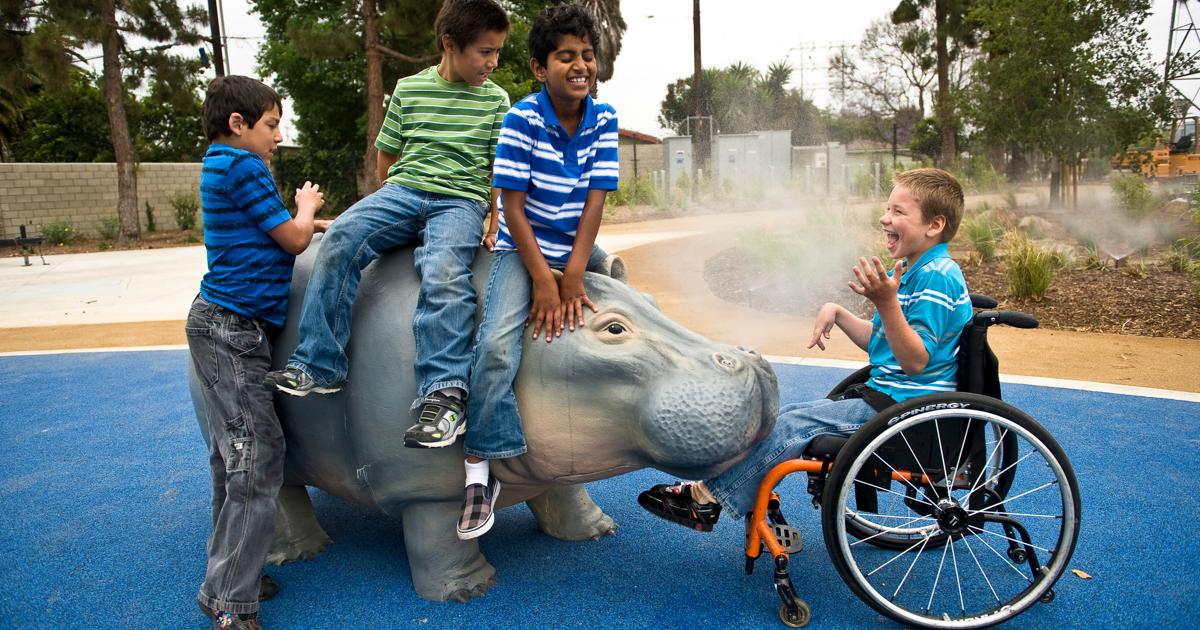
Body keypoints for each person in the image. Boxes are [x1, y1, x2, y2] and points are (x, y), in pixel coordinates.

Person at [637, 168, 972, 532]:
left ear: (935, 225)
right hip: (888, 398)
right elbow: (884, 344)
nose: (884, 218)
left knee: (794, 427)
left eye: (898, 211)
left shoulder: (938, 275)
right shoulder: (913, 270)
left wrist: (886, 303)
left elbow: (914, 361)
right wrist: (841, 313)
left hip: (907, 412)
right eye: (886, 208)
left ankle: (709, 500)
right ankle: (735, 489)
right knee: (787, 416)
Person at [264, 0, 511, 452]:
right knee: (340, 237)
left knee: (443, 273)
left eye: (497, 52)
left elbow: (499, 167)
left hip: (459, 201)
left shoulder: (496, 99)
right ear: (449, 44)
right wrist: (390, 206)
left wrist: (494, 216)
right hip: (404, 192)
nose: (492, 63)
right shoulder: (410, 89)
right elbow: (387, 155)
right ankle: (320, 363)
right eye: (484, 52)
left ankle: (444, 394)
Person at [456, 3, 620, 540]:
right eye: (566, 56)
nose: (580, 66)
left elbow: (595, 204)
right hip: (520, 248)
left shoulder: (604, 118)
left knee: (626, 307)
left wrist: (573, 275)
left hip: (574, 248)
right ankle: (481, 469)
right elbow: (512, 204)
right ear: (538, 67)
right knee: (496, 345)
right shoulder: (522, 118)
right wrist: (545, 282)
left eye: (587, 56)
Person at [187, 75, 327, 630]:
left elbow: (272, 235)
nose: (277, 136)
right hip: (232, 328)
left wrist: (313, 225)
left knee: (233, 456)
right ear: (238, 125)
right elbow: (292, 240)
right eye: (271, 126)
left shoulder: (217, 163)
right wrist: (306, 206)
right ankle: (227, 599)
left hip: (219, 324)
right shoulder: (245, 166)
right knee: (257, 456)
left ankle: (231, 572)